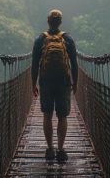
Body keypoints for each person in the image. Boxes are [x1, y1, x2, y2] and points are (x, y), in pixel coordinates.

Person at [32, 9, 78, 162]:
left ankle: (50, 149)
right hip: (63, 82)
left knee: (47, 114)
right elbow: (74, 64)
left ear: (48, 21)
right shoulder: (68, 39)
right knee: (62, 116)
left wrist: (34, 83)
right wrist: (75, 82)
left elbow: (34, 65)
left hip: (46, 81)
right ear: (60, 22)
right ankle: (61, 149)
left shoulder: (40, 39)